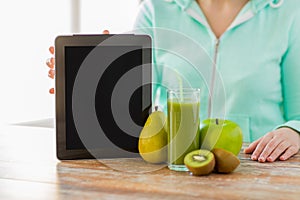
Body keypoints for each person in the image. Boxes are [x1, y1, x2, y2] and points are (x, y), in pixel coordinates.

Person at [46, 0, 300, 162]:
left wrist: (294, 132)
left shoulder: (288, 12)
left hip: (257, 169)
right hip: (172, 169)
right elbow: (133, 103)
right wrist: (91, 76)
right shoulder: (156, 10)